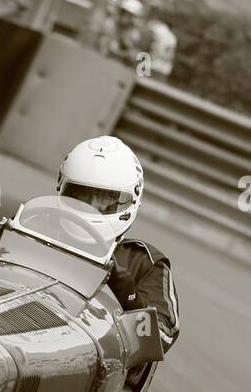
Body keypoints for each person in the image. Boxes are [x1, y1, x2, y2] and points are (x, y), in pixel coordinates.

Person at [56, 135, 179, 352]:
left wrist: (130, 299)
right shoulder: (37, 226)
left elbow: (163, 338)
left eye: (104, 199)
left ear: (130, 200)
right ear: (63, 187)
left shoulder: (144, 262)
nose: (92, 206)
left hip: (95, 355)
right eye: (82, 195)